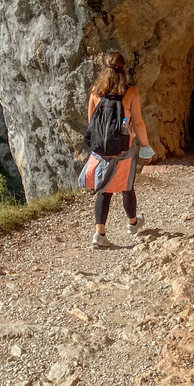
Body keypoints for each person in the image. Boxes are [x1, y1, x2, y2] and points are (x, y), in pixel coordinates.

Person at [80, 51, 154, 248]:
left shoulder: (96, 91)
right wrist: (146, 147)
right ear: (123, 69)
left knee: (104, 190)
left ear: (105, 69)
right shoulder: (130, 92)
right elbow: (137, 122)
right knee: (126, 186)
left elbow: (91, 122)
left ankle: (99, 234)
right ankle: (132, 223)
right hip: (124, 148)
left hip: (101, 150)